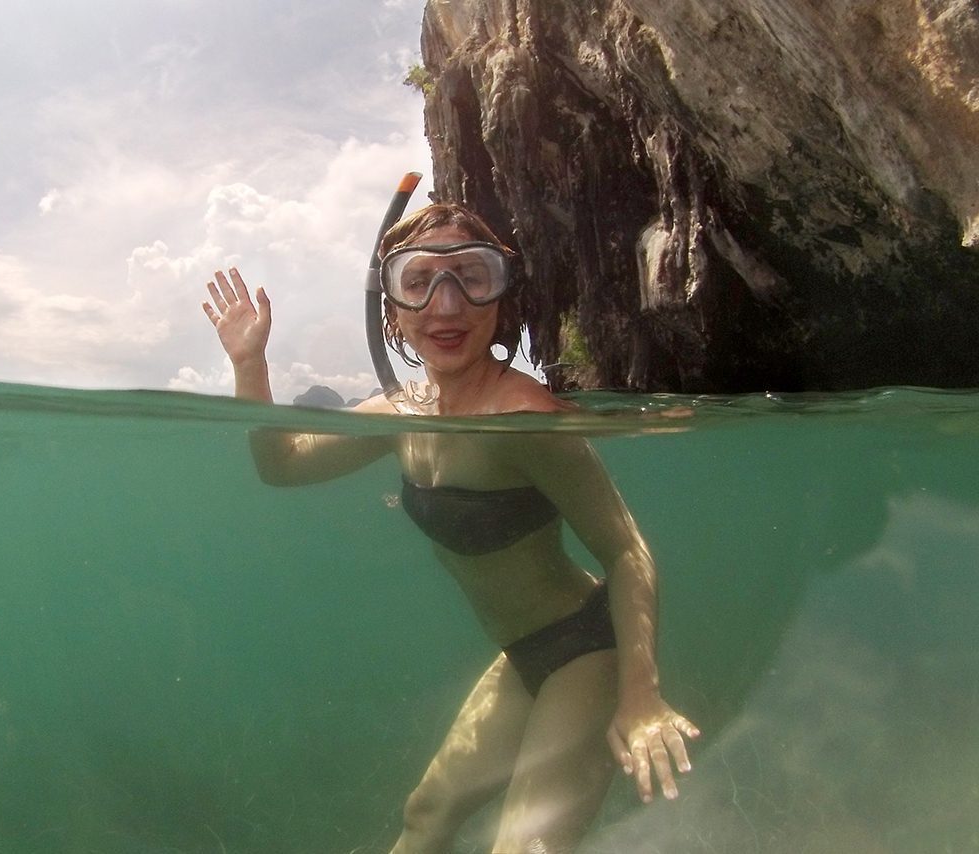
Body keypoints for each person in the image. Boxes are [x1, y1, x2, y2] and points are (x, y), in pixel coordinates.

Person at [200, 204, 698, 854]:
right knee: (427, 812)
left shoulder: (528, 419)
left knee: (522, 847)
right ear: (394, 308)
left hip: (589, 649)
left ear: (499, 296)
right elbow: (282, 466)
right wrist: (250, 364)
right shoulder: (401, 412)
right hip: (523, 657)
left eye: (471, 276)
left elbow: (626, 550)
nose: (447, 304)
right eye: (419, 282)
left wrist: (641, 698)